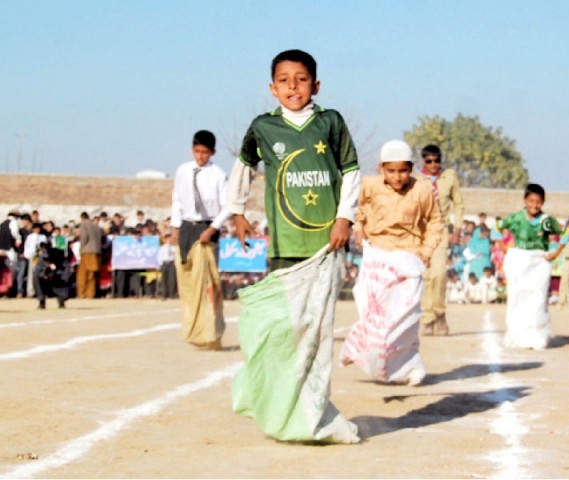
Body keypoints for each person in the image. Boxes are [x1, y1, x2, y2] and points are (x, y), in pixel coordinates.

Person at [229, 49, 361, 444]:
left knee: (317, 334)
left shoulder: (330, 122)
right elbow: (242, 167)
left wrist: (344, 218)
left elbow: (351, 170)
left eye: (301, 79)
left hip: (325, 246)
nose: (293, 87)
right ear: (272, 88)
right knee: (282, 328)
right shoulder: (263, 127)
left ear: (315, 85)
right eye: (284, 80)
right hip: (284, 245)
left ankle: (311, 415)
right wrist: (237, 211)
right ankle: (274, 400)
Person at [340, 140, 444, 386]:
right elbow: (359, 209)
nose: (398, 177)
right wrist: (359, 226)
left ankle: (410, 366)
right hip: (378, 258)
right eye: (391, 171)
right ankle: (374, 361)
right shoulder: (369, 186)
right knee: (376, 317)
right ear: (381, 169)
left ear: (412, 168)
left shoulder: (423, 190)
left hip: (409, 259)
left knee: (405, 319)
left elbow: (435, 221)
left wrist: (426, 253)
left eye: (403, 170)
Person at [170, 130, 231, 350]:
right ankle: (193, 329)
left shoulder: (218, 175)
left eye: (205, 152)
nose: (201, 156)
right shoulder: (183, 171)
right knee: (187, 282)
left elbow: (228, 207)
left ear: (212, 152)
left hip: (207, 227)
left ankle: (213, 332)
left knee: (208, 283)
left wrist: (213, 227)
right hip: (187, 226)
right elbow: (177, 199)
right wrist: (175, 227)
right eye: (197, 151)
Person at [500, 183, 569, 350]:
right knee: (517, 296)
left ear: (543, 203)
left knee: (537, 298)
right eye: (531, 201)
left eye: (538, 202)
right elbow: (498, 228)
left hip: (539, 261)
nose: (534, 205)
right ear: (525, 200)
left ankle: (537, 335)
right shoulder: (516, 218)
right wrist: (502, 246)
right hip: (520, 259)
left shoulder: (546, 221)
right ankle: (516, 335)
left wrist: (556, 252)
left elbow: (565, 235)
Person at [417, 144, 464, 336]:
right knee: (425, 276)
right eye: (429, 161)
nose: (433, 164)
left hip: (441, 228)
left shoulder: (449, 177)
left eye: (437, 160)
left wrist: (458, 228)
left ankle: (440, 313)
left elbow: (458, 203)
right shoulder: (416, 179)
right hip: (421, 230)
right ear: (423, 161)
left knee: (439, 274)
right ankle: (427, 319)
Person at [76, 211, 102, 298]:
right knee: (92, 274)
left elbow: (84, 237)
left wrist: (80, 248)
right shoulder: (96, 226)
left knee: (82, 274)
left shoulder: (84, 224)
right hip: (96, 251)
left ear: (82, 218)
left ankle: (82, 293)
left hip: (86, 251)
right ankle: (90, 293)